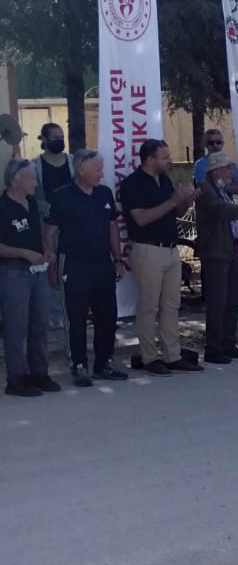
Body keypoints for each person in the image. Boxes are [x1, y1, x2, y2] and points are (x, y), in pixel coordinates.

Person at [44, 149, 127, 387]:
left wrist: (118, 258)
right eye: (97, 169)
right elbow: (49, 231)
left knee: (107, 315)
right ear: (80, 170)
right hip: (74, 264)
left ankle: (104, 363)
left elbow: (112, 227)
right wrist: (51, 263)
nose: (101, 174)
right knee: (76, 317)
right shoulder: (62, 196)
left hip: (102, 263)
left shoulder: (104, 193)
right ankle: (79, 364)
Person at [119, 139, 199, 375]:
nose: (169, 161)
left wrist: (186, 200)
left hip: (171, 248)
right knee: (149, 306)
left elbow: (175, 210)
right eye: (164, 157)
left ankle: (172, 355)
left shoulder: (164, 180)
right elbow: (141, 218)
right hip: (148, 249)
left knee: (171, 306)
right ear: (149, 159)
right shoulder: (132, 184)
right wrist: (174, 200)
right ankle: (149, 357)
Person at [194, 152, 238, 364]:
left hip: (229, 249)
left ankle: (228, 343)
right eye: (227, 168)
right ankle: (213, 348)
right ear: (215, 170)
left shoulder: (222, 189)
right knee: (217, 302)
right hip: (215, 251)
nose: (230, 172)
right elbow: (221, 210)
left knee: (232, 300)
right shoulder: (205, 189)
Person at [0, 158, 58, 396]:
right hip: (13, 272)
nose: (35, 183)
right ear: (15, 180)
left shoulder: (32, 202)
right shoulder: (2, 207)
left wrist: (46, 250)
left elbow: (38, 231)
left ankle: (40, 373)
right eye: (31, 178)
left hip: (37, 272)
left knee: (40, 324)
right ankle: (16, 378)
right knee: (16, 327)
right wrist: (23, 253)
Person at [33, 122, 74, 217]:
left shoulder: (73, 161)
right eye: (56, 138)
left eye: (62, 138)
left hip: (73, 216)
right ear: (44, 139)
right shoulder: (34, 166)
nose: (60, 141)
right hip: (48, 218)